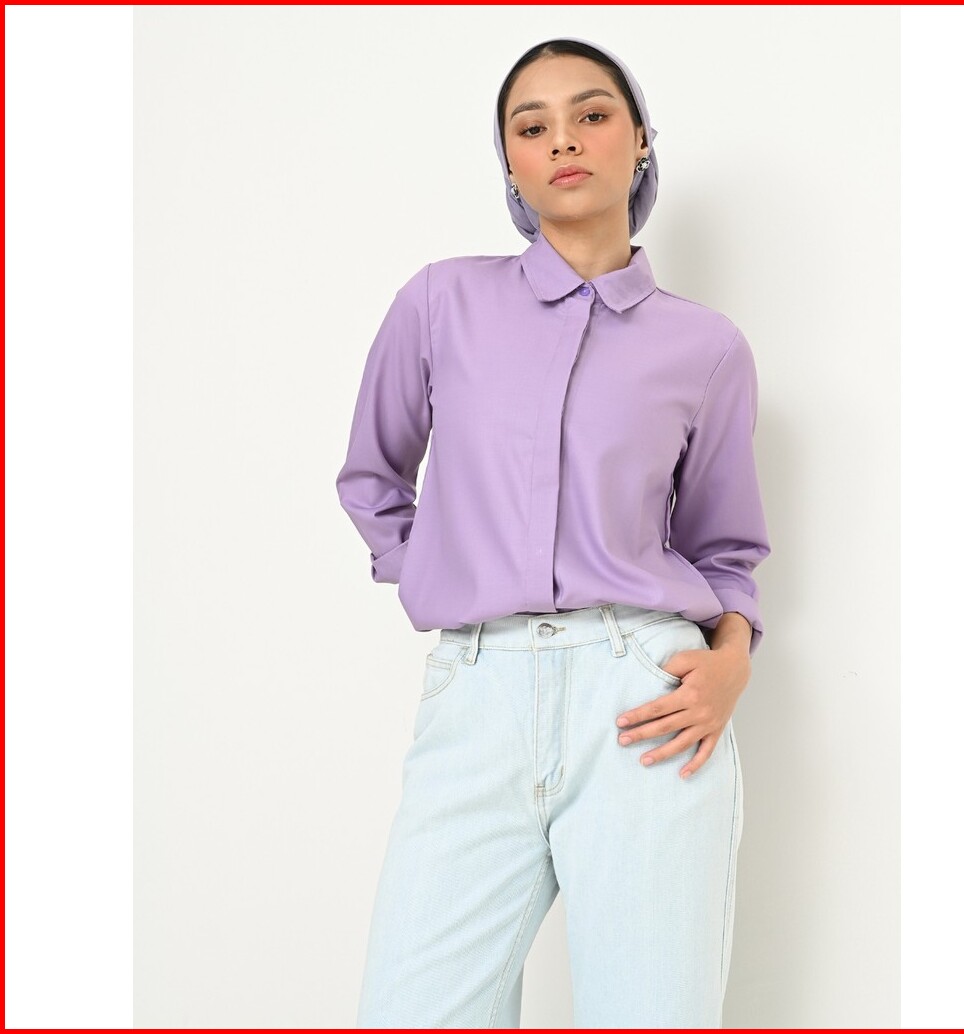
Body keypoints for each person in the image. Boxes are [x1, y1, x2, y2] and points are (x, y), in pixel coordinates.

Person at [334, 35, 770, 1029]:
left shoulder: (705, 347)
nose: (563, 140)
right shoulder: (440, 302)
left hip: (646, 703)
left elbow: (725, 550)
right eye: (531, 127)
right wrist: (435, 571)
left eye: (591, 114)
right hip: (475, 696)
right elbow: (371, 478)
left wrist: (731, 661)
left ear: (640, 140)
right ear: (510, 164)